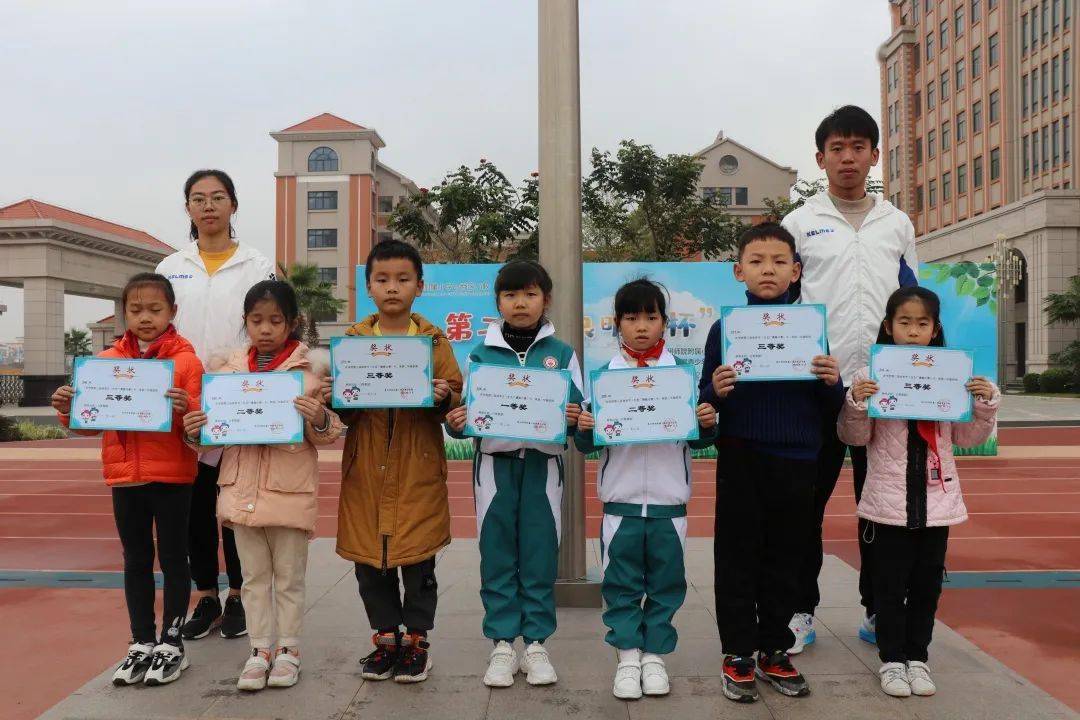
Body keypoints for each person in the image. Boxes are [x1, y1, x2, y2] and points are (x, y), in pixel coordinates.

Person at [780, 105, 918, 651]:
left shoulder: (897, 222)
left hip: (882, 390)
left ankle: (879, 609)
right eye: (837, 148)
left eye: (858, 147)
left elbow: (912, 304)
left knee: (880, 506)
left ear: (874, 156)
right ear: (820, 158)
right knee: (802, 506)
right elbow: (784, 303)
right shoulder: (799, 223)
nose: (847, 158)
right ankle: (798, 611)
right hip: (818, 389)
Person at [699, 224, 844, 703]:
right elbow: (706, 401)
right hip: (741, 454)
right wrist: (715, 392)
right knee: (737, 555)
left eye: (780, 261)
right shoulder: (725, 329)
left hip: (799, 457)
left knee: (788, 556)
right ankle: (738, 651)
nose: (768, 269)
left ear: (796, 271)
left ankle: (774, 648)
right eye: (757, 261)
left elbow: (830, 409)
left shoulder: (813, 329)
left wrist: (831, 383)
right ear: (739, 271)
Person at [838, 286, 998, 697]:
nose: (913, 331)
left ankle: (918, 659)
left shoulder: (952, 376)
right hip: (887, 505)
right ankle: (892, 661)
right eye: (904, 323)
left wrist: (983, 404)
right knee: (889, 585)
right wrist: (856, 402)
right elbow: (854, 437)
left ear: (935, 328)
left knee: (927, 585)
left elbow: (965, 436)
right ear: (888, 327)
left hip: (936, 502)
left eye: (922, 323)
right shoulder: (870, 377)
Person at [183, 280, 343, 690]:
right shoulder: (225, 371)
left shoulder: (311, 373)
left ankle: (288, 650)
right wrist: (195, 432)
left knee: (289, 577)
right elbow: (210, 437)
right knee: (252, 578)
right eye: (257, 321)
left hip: (289, 493)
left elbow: (328, 434)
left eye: (275, 320)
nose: (266, 329)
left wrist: (319, 417)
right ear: (245, 323)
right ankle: (259, 651)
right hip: (239, 491)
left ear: (292, 323)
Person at [51, 273, 203, 686]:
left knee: (173, 558)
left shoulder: (186, 361)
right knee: (135, 559)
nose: (145, 317)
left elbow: (201, 427)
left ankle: (172, 642)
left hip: (173, 477)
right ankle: (141, 641)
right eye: (136, 310)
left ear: (173, 312)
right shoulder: (104, 364)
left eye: (155, 309)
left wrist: (185, 407)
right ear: (124, 314)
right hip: (125, 479)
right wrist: (67, 409)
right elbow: (87, 425)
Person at [573, 278, 717, 700]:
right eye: (631, 318)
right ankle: (627, 655)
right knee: (620, 586)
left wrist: (707, 423)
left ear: (665, 324)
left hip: (669, 509)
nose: (641, 326)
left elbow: (698, 439)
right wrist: (584, 428)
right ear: (616, 324)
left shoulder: (680, 380)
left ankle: (655, 656)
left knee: (667, 584)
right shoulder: (604, 383)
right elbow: (586, 443)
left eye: (650, 317)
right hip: (619, 507)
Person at [328, 240, 463, 684]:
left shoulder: (433, 342)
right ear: (369, 287)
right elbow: (343, 411)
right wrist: (335, 395)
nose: (393, 288)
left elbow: (455, 400)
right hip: (366, 470)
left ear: (419, 286)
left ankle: (417, 643)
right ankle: (386, 640)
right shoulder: (353, 343)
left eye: (403, 279)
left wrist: (444, 397)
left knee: (418, 561)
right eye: (382, 279)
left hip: (417, 469)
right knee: (371, 562)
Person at [445, 260, 584, 689]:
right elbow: (465, 418)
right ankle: (503, 644)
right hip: (494, 469)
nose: (520, 303)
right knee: (498, 553)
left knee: (540, 555)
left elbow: (578, 410)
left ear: (546, 299)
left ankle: (537, 644)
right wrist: (456, 421)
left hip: (543, 469)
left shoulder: (560, 354)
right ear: (498, 302)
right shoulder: (479, 354)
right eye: (510, 295)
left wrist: (577, 416)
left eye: (529, 294)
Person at [156, 169, 275, 641]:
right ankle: (205, 595)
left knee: (235, 501)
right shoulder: (170, 266)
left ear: (233, 205)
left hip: (236, 394)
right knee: (195, 503)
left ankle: (240, 596)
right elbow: (158, 328)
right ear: (187, 208)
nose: (208, 206)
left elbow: (267, 326)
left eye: (218, 197)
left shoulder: (256, 263)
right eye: (198, 198)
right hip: (183, 397)